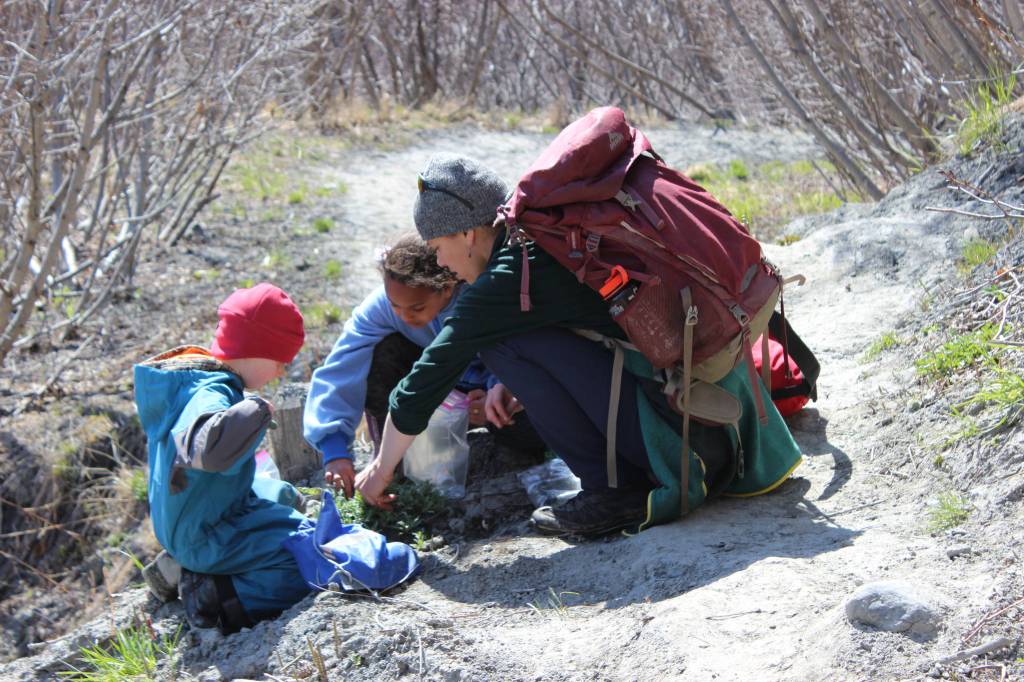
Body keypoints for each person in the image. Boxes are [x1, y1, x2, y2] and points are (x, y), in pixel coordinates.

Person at [354, 154, 803, 536]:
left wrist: (380, 471)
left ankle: (614, 492)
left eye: (437, 246)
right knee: (512, 347)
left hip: (689, 422)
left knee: (503, 346)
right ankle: (622, 476)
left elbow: (429, 375)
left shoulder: (509, 276)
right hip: (703, 398)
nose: (439, 261)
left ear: (467, 234)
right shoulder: (534, 236)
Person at [304, 235, 544, 496]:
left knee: (525, 429)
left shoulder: (478, 298)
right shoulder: (386, 307)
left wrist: (496, 393)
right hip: (434, 390)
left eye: (417, 308)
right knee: (380, 350)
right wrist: (334, 447)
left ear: (448, 287)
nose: (406, 317)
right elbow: (344, 362)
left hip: (489, 389)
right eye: (396, 306)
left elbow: (520, 349)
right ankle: (393, 458)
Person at [133, 283, 312, 633]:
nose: (279, 373)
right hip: (204, 530)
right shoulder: (210, 393)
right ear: (256, 350)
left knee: (284, 496)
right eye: (279, 362)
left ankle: (178, 563)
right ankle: (213, 593)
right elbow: (206, 445)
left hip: (194, 515)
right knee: (302, 563)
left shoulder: (195, 379)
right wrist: (253, 411)